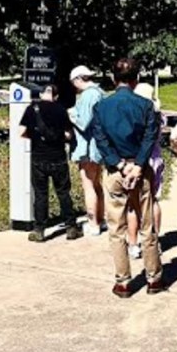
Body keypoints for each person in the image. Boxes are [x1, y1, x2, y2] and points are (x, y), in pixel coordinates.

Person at [92, 58, 165, 297]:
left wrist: (120, 164)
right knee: (147, 225)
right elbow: (149, 137)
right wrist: (138, 165)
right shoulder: (145, 105)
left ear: (114, 79)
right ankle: (154, 277)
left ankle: (123, 281)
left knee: (116, 227)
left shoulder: (102, 107)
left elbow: (101, 140)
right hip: (140, 169)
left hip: (115, 170)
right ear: (136, 79)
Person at [19, 83, 80, 242]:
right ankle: (71, 227)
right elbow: (68, 135)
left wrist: (36, 138)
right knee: (63, 192)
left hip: (38, 157)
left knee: (40, 194)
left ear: (40, 95)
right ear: (56, 96)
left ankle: (39, 230)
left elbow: (22, 132)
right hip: (58, 157)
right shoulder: (61, 109)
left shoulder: (32, 109)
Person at [126, 82, 165, 258]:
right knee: (154, 200)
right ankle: (154, 241)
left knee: (133, 204)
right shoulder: (158, 115)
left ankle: (133, 242)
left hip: (138, 159)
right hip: (156, 158)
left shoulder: (136, 115)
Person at [69, 65, 106, 237]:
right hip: (98, 147)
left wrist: (70, 114)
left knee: (88, 185)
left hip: (87, 147)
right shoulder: (100, 92)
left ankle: (93, 223)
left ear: (78, 79)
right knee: (97, 184)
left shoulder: (88, 95)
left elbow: (83, 122)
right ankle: (101, 218)